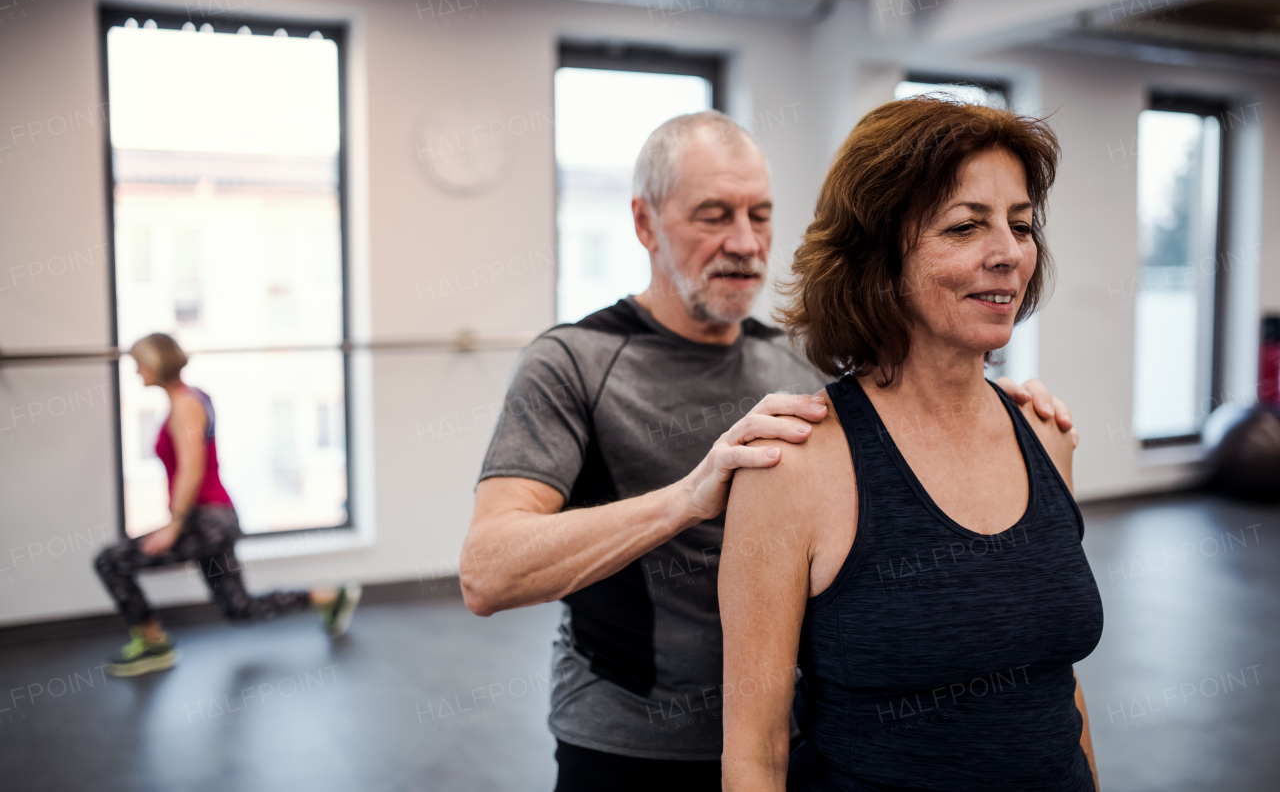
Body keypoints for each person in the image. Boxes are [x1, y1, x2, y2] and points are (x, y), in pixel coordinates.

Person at [460, 110, 1076, 791]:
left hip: (792, 734)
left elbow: (913, 389)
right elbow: (487, 572)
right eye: (714, 215)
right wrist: (686, 499)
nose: (745, 242)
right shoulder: (571, 362)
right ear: (643, 223)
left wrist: (997, 413)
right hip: (631, 743)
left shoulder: (796, 358)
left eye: (760, 215)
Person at [720, 97, 1104, 791]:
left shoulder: (1047, 435)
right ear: (878, 259)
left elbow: (1056, 681)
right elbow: (755, 754)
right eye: (965, 226)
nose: (1008, 253)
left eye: (1020, 225)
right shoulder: (794, 467)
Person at [94, 333, 361, 677]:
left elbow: (192, 468)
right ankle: (329, 596)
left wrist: (173, 525)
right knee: (238, 608)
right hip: (213, 519)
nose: (137, 372)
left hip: (206, 520)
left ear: (155, 365)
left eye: (139, 364)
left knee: (110, 560)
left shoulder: (185, 404)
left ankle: (153, 643)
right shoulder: (194, 397)